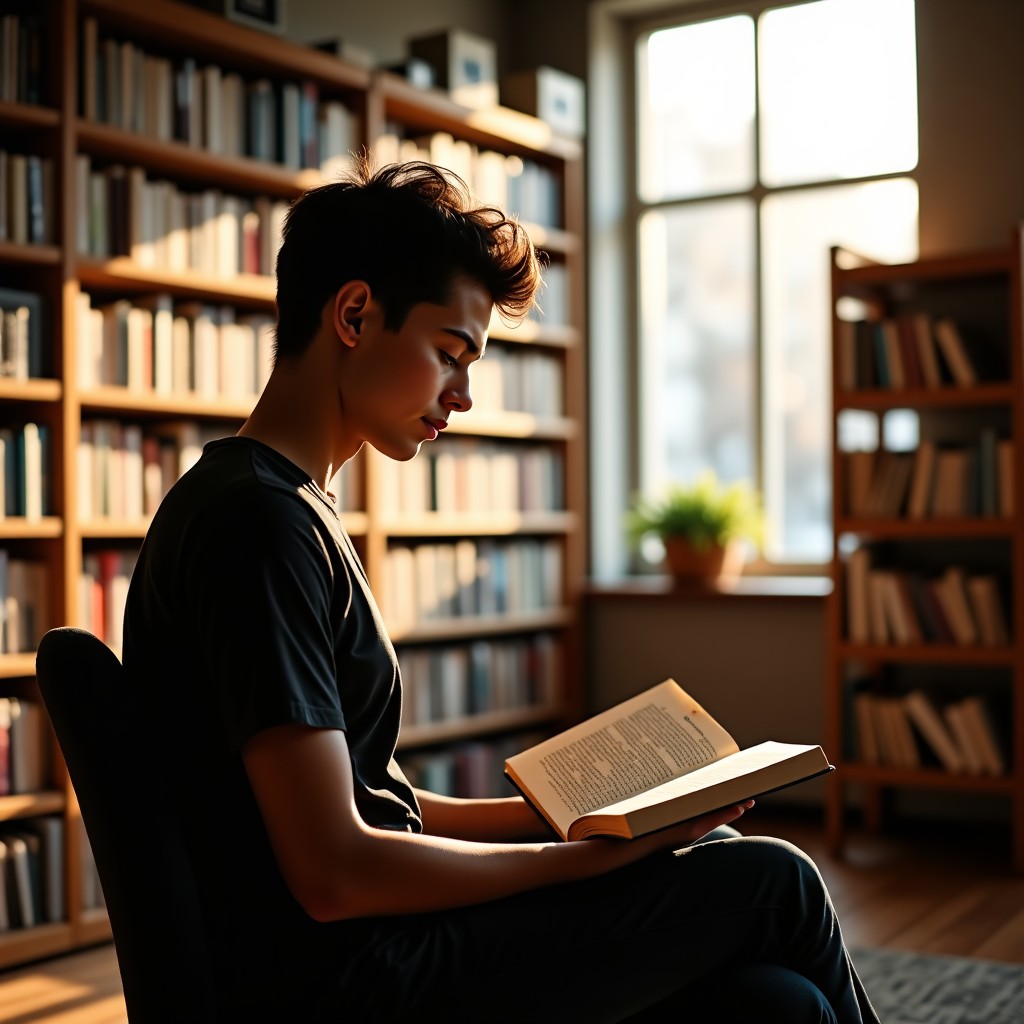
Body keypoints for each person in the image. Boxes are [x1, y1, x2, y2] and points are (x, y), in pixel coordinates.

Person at [122, 158, 879, 1023]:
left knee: (773, 998)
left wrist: (578, 819)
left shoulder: (284, 510)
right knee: (774, 880)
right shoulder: (256, 528)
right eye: (451, 354)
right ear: (356, 314)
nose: (466, 395)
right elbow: (335, 872)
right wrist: (588, 864)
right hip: (350, 983)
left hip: (372, 950)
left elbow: (386, 811)